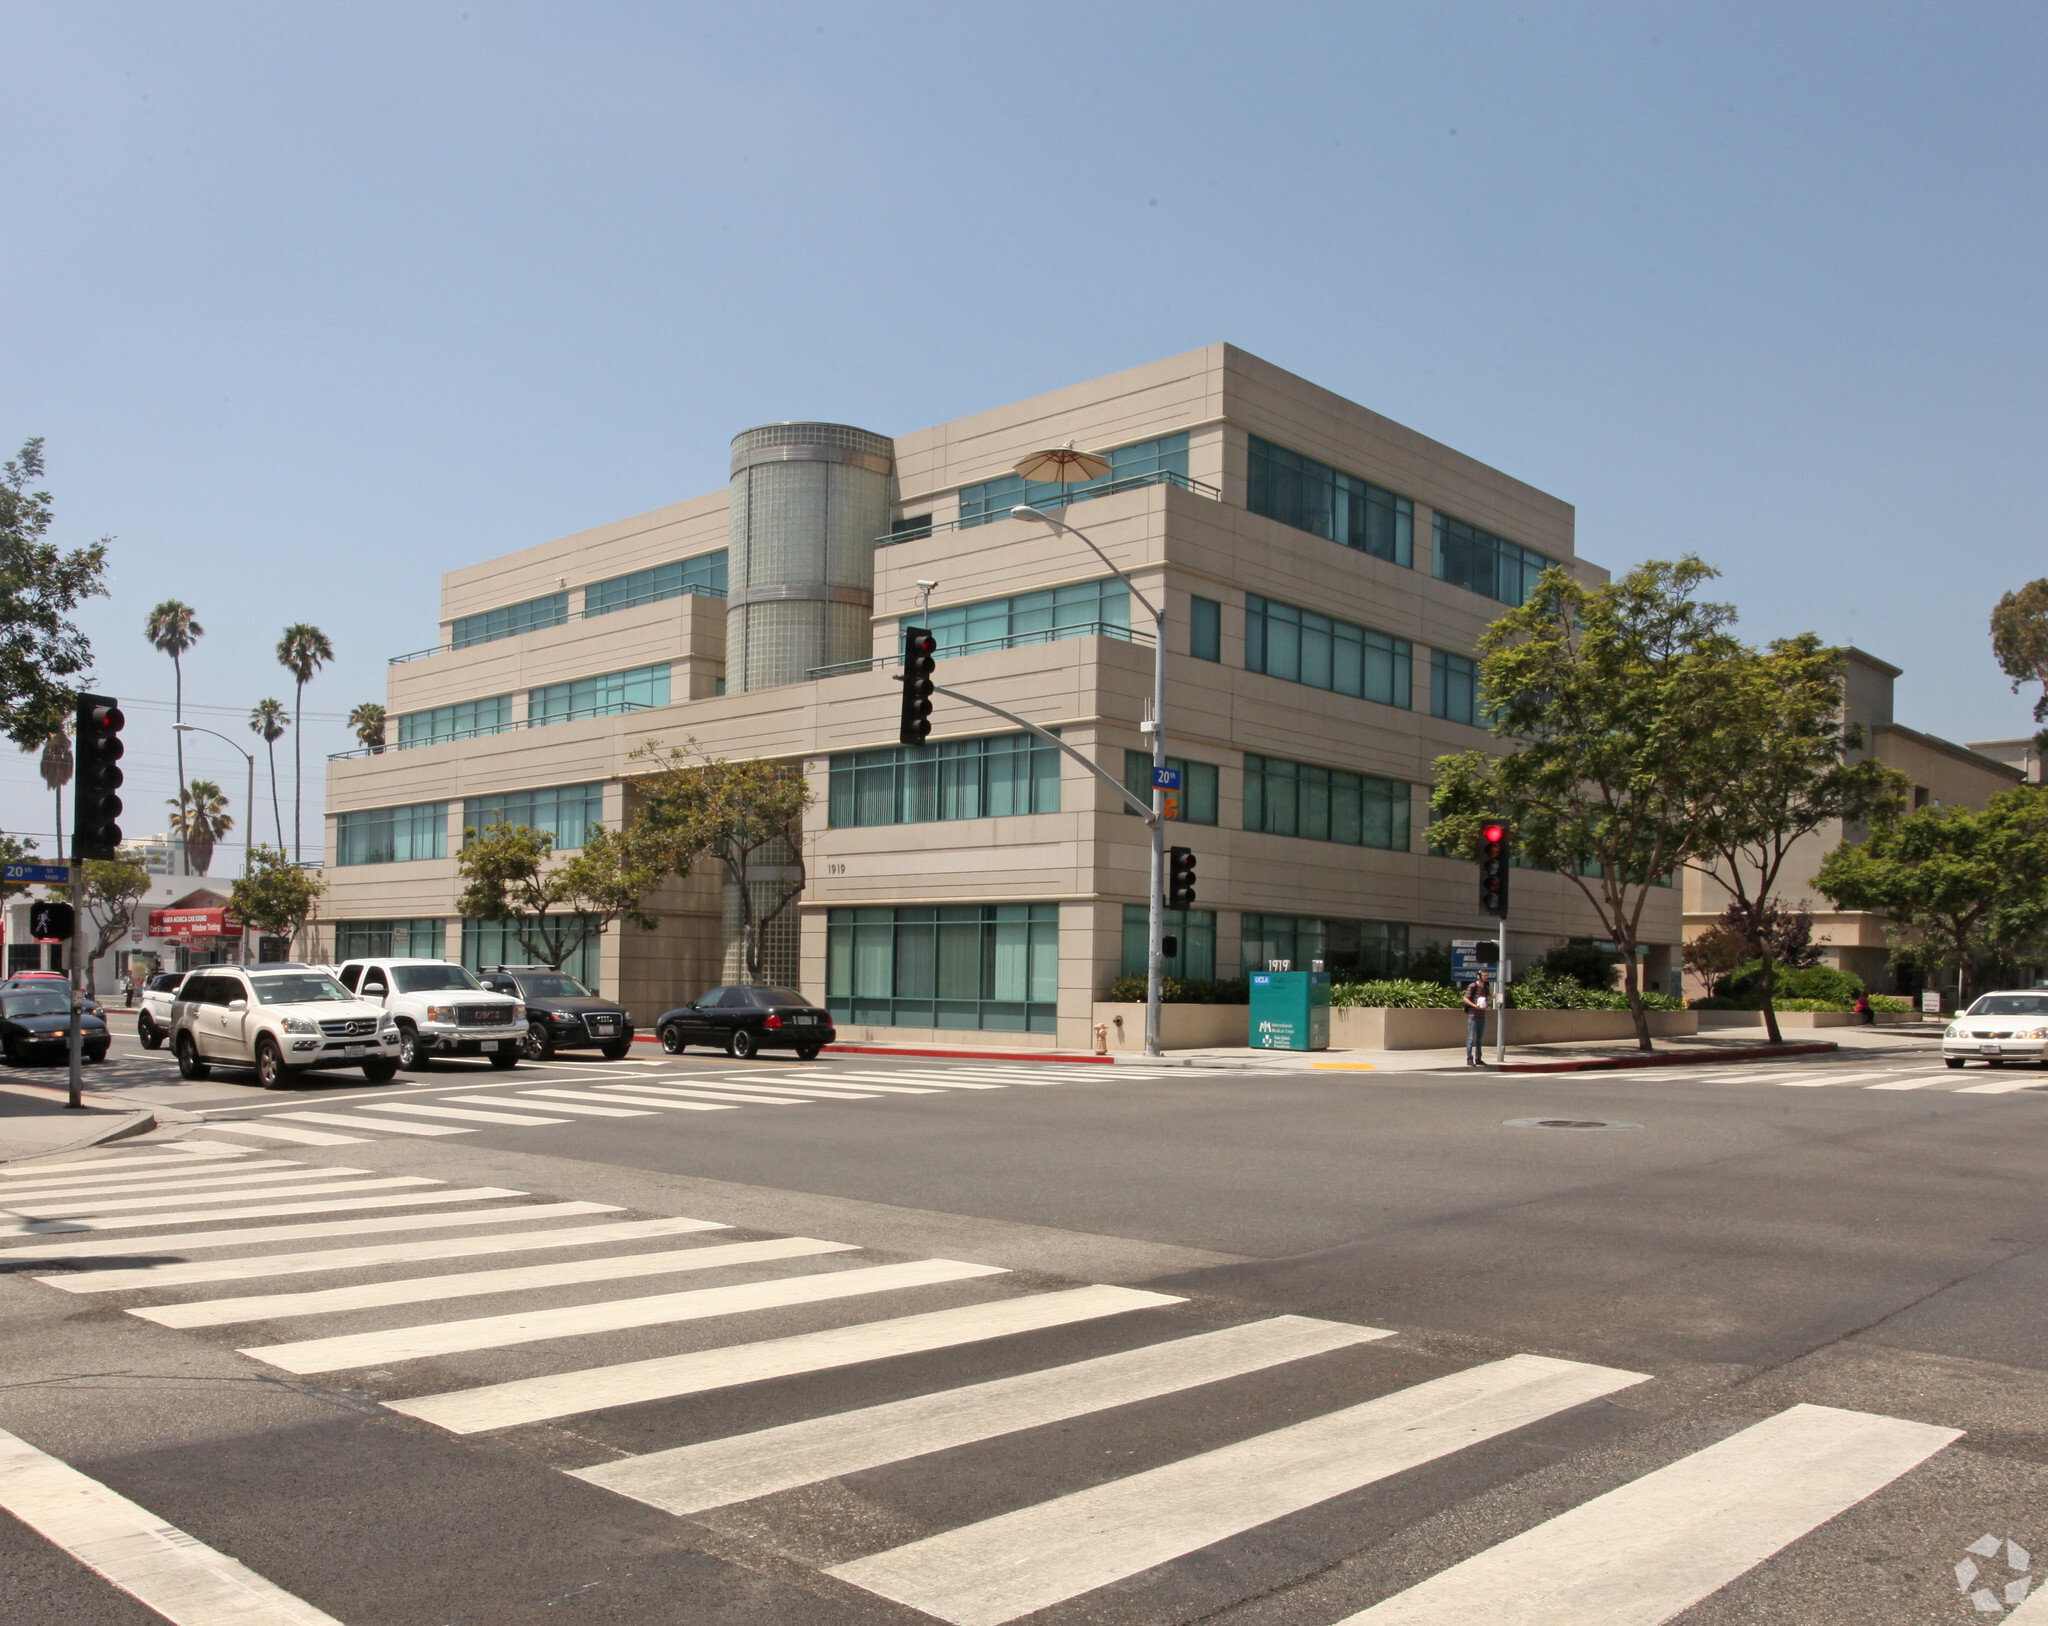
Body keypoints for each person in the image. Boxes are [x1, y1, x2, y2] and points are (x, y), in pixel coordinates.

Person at [1463, 970, 1492, 1065]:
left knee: (1479, 1039)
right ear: (1479, 976)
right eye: (1484, 976)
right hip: (1473, 1016)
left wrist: (1492, 998)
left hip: (1482, 1016)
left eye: (1487, 975)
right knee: (1471, 1037)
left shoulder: (1486, 988)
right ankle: (1469, 1058)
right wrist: (1474, 1006)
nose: (1486, 977)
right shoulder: (1473, 986)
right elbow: (1465, 998)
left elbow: (1485, 1002)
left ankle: (1478, 1058)